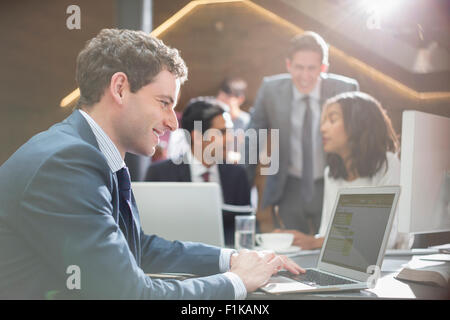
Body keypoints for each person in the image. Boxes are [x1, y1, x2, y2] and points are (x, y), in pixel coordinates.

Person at [0, 28, 303, 299]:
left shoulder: (91, 152)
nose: (173, 122)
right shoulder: (66, 162)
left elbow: (138, 248)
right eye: (164, 103)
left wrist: (232, 258)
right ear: (119, 88)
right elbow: (128, 293)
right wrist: (236, 282)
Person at [246, 31, 359, 235]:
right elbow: (253, 136)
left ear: (323, 68)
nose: (304, 76)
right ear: (288, 65)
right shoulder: (271, 90)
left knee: (332, 242)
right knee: (292, 248)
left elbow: (358, 138)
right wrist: (241, 183)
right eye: (298, 67)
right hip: (290, 185)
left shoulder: (345, 89)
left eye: (312, 68)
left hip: (332, 180)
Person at [277, 92, 410, 250]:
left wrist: (315, 242)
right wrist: (300, 240)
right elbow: (327, 232)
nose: (322, 128)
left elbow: (385, 240)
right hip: (345, 260)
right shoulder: (332, 173)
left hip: (387, 265)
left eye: (332, 120)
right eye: (323, 121)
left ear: (359, 124)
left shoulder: (387, 164)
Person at [146, 97, 252, 246]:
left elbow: (245, 227)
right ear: (197, 136)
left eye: (230, 131)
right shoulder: (160, 174)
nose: (230, 138)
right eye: (222, 132)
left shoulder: (237, 175)